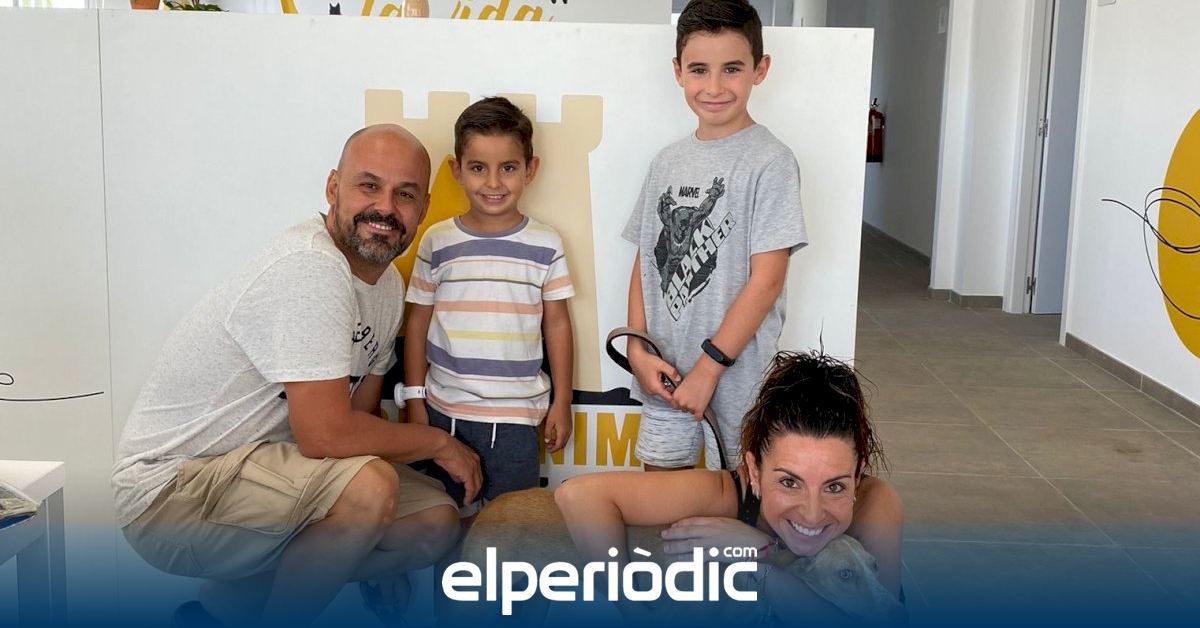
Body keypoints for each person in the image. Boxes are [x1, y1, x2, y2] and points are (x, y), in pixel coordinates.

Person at [111, 124, 482, 626]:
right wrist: (437, 444)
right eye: (368, 186)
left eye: (405, 194)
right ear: (333, 188)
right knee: (369, 488)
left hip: (263, 475)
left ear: (423, 207)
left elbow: (358, 424)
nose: (385, 207)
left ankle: (215, 613)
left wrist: (369, 542)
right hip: (172, 491)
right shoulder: (311, 267)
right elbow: (326, 435)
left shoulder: (387, 288)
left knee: (432, 524)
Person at [555, 351, 905, 623]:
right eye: (789, 482)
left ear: (858, 474)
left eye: (834, 487)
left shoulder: (875, 508)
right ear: (754, 472)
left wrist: (760, 553)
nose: (812, 514)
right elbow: (578, 495)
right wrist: (632, 612)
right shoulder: (728, 495)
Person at [623, 0, 808, 471]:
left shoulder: (771, 161)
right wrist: (637, 349)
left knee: (741, 497)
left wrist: (708, 370)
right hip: (664, 373)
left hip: (737, 379)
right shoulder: (666, 161)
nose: (714, 87)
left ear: (760, 69)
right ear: (678, 72)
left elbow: (767, 281)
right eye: (699, 70)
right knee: (662, 496)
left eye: (732, 69)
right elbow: (646, 261)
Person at [403, 97, 575, 517]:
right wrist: (414, 400)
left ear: (530, 169)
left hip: (517, 419)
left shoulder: (546, 244)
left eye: (508, 167)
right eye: (478, 168)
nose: (493, 182)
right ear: (456, 170)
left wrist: (562, 401)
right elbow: (418, 324)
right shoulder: (437, 242)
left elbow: (557, 324)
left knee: (511, 523)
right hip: (444, 415)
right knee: (446, 520)